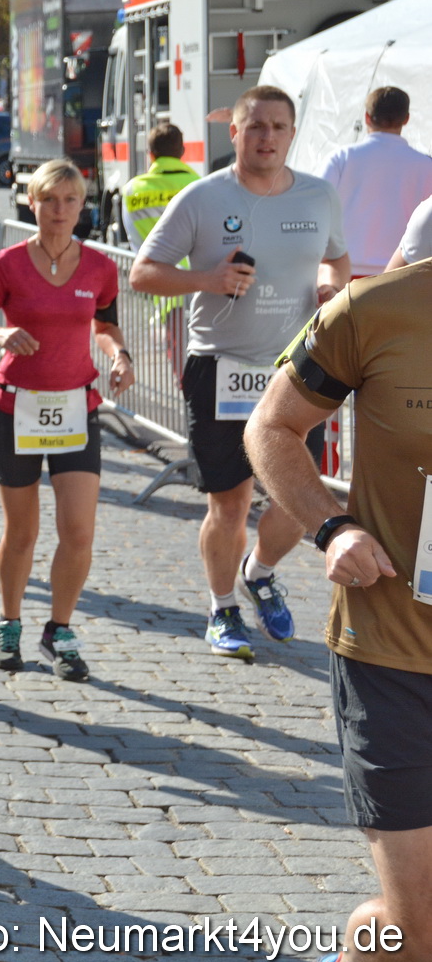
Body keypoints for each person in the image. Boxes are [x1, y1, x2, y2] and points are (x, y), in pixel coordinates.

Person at [246, 265, 432, 962]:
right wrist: (332, 528)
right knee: (416, 934)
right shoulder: (374, 308)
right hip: (392, 655)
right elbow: (273, 425)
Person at [131, 85, 349, 661]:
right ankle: (223, 606)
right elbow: (143, 273)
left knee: (298, 501)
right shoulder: (202, 198)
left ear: (292, 133)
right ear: (235, 132)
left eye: (278, 127)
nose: (267, 138)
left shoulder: (319, 195)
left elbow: (337, 256)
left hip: (298, 373)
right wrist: (208, 280)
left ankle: (261, 570)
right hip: (220, 366)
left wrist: (331, 286)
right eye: (255, 126)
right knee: (228, 502)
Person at [0, 159, 133, 681]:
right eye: (48, 200)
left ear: (83, 205)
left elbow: (105, 327)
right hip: (16, 408)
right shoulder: (8, 264)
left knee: (78, 531)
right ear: (31, 203)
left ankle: (59, 630)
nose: (59, 211)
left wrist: (119, 356)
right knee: (23, 530)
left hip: (76, 406)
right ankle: (9, 622)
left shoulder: (100, 267)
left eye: (70, 200)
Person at [315, 86, 432, 277]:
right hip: (403, 277)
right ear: (406, 119)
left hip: (344, 274)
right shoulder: (426, 165)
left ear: (367, 117)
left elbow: (316, 206)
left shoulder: (341, 158)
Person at [120, 123, 199, 249]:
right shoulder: (199, 185)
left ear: (150, 154)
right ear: (182, 151)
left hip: (148, 267)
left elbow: (133, 236)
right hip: (192, 268)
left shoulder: (132, 189)